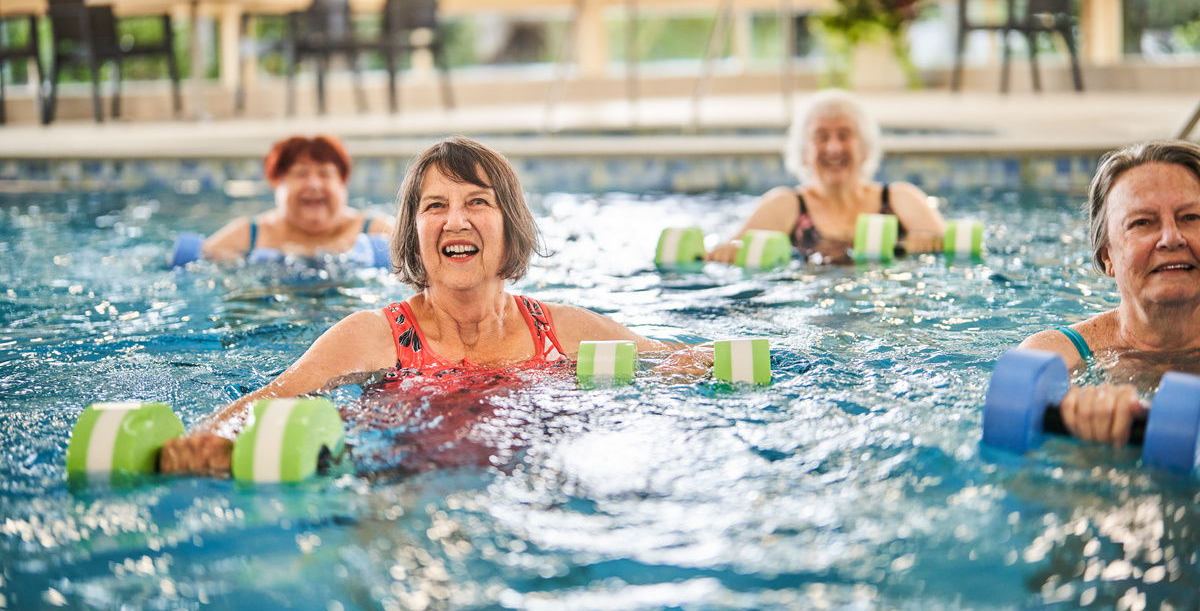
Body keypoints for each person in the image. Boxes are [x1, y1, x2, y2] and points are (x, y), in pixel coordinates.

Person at [161, 135, 708, 474]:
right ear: (413, 231)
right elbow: (270, 399)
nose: (455, 220)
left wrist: (712, 363)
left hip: (531, 484)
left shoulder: (560, 329)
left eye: (477, 202)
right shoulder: (373, 337)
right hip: (398, 480)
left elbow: (676, 361)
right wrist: (203, 443)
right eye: (435, 206)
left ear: (508, 223)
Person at [1019, 140, 1200, 447]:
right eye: (1142, 222)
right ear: (1107, 257)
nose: (1171, 238)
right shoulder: (1056, 357)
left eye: (1191, 218)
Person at [705, 88, 945, 264]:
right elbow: (726, 255)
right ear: (803, 152)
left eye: (845, 135)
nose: (834, 148)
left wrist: (928, 245)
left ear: (865, 148)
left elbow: (958, 253)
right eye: (820, 136)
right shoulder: (784, 205)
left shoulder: (900, 200)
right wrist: (727, 253)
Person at [201, 134, 391, 260]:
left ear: (343, 181)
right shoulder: (248, 235)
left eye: (325, 174)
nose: (314, 184)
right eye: (300, 174)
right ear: (277, 182)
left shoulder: (378, 231)